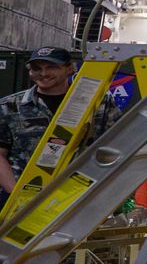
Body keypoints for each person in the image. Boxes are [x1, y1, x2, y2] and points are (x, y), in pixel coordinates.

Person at [0, 46, 112, 196]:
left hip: (80, 196)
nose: (43, 73)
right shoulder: (10, 106)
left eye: (52, 67)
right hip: (26, 198)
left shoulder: (97, 104)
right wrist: (16, 195)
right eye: (36, 68)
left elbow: (115, 145)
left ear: (69, 69)